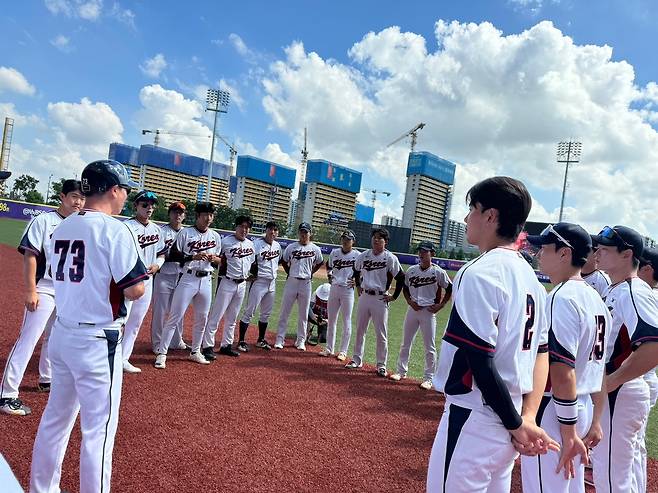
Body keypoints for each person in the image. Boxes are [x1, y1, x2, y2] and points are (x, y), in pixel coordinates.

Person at [427, 176, 558, 492]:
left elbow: (481, 362)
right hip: (510, 417)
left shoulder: (479, 272)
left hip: (475, 417)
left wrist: (517, 423)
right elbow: (542, 354)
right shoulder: (532, 278)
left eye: (472, 208)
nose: (467, 217)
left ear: (490, 216)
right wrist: (525, 418)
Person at [29, 160, 147, 493]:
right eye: (125, 190)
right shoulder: (115, 229)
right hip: (97, 339)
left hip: (63, 333)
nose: (125, 197)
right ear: (113, 189)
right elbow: (134, 289)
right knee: (98, 432)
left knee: (55, 421)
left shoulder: (62, 226)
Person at [521, 223, 610, 493]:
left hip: (557, 412)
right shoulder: (596, 299)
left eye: (545, 249)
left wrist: (568, 432)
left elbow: (561, 370)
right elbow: (600, 368)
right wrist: (596, 420)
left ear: (564, 253)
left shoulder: (560, 297)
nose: (539, 255)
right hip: (579, 409)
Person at [0, 180, 85, 416]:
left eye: (82, 198)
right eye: (74, 196)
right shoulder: (44, 221)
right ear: (62, 197)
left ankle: (46, 379)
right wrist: (30, 290)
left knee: (55, 339)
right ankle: (7, 394)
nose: (78, 202)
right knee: (28, 339)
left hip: (67, 291)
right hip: (45, 287)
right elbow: (30, 256)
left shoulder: (81, 225)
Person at [590, 226, 658, 492]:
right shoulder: (618, 288)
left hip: (620, 393)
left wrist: (612, 381)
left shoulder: (632, 291)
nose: (597, 253)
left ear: (626, 254)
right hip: (623, 391)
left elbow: (653, 346)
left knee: (611, 477)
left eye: (605, 249)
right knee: (625, 471)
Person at [154, 202, 222, 368]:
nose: (208, 218)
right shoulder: (185, 233)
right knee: (175, 316)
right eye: (205, 214)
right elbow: (175, 255)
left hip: (206, 279)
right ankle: (162, 353)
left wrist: (215, 259)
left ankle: (195, 352)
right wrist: (193, 257)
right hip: (188, 278)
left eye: (211, 215)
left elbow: (220, 261)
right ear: (198, 216)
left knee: (202, 318)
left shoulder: (215, 236)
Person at [389, 241, 452, 390]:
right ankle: (401, 371)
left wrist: (441, 305)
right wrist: (410, 302)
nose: (421, 254)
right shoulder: (411, 270)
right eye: (420, 251)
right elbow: (405, 288)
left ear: (432, 254)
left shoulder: (438, 272)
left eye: (425, 251)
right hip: (413, 310)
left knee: (429, 346)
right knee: (406, 342)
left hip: (428, 312)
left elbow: (449, 288)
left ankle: (429, 378)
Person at [345, 227, 405, 377]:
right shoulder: (364, 256)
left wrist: (394, 296)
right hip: (365, 296)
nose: (376, 239)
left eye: (380, 238)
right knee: (360, 330)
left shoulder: (390, 258)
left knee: (381, 333)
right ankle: (356, 359)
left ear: (386, 242)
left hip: (380, 298)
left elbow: (401, 278)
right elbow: (356, 271)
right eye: (374, 237)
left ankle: (381, 365)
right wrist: (358, 286)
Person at [121, 190, 165, 373]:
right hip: (129, 281)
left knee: (136, 321)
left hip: (148, 280)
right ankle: (110, 356)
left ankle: (123, 358)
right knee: (121, 320)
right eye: (145, 204)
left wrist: (158, 265)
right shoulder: (126, 226)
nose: (149, 208)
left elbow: (162, 253)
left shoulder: (157, 229)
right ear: (136, 206)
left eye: (152, 205)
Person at [202, 215, 255, 359]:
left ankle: (226, 345)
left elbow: (251, 262)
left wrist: (248, 275)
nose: (244, 230)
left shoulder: (250, 244)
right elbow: (214, 259)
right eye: (241, 226)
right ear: (236, 227)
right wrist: (218, 261)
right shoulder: (225, 242)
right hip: (227, 282)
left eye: (247, 227)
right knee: (216, 316)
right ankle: (207, 346)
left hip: (242, 284)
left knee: (232, 317)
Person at [273, 222, 324, 351]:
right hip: (292, 281)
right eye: (301, 231)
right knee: (285, 311)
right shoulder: (291, 247)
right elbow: (284, 260)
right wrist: (289, 271)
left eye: (306, 232)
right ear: (299, 233)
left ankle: (301, 340)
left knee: (303, 313)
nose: (303, 234)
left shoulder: (315, 249)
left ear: (310, 233)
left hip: (306, 283)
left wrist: (311, 272)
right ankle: (280, 339)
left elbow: (320, 262)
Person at [634, 246, 658, 493]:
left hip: (640, 374)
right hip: (647, 376)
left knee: (631, 446)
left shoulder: (644, 295)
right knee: (636, 444)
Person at [237, 221, 282, 351]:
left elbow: (277, 261)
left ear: (277, 232)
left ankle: (260, 340)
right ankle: (241, 341)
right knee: (249, 312)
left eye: (275, 230)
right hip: (259, 282)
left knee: (266, 314)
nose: (272, 232)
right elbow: (249, 260)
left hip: (271, 283)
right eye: (270, 229)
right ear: (266, 230)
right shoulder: (256, 244)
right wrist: (251, 274)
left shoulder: (278, 246)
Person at [151, 201, 189, 353]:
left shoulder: (187, 233)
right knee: (160, 312)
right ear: (169, 214)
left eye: (180, 212)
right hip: (164, 275)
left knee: (178, 310)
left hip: (180, 276)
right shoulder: (161, 231)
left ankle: (176, 340)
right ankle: (157, 343)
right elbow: (158, 253)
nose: (177, 215)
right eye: (174, 212)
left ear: (184, 216)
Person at [319, 230, 359, 360]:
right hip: (335, 288)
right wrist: (329, 275)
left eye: (348, 239)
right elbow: (329, 265)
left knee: (346, 320)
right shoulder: (334, 253)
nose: (345, 241)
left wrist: (357, 281)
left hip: (348, 290)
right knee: (331, 320)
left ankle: (343, 351)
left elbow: (363, 271)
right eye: (343, 238)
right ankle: (329, 349)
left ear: (353, 241)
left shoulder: (357, 255)